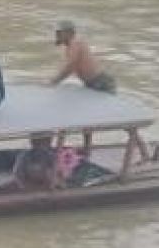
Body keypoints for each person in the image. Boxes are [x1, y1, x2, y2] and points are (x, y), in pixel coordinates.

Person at [48, 20, 149, 163]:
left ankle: (144, 153)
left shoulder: (76, 43)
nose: (56, 35)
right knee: (86, 118)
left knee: (121, 120)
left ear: (69, 33)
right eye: (56, 33)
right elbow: (69, 66)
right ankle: (87, 150)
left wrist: (53, 81)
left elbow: (70, 67)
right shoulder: (69, 46)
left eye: (59, 33)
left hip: (102, 83)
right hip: (91, 84)